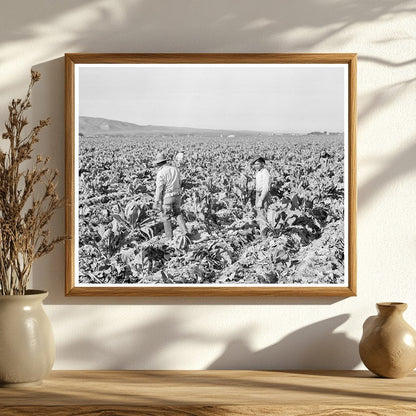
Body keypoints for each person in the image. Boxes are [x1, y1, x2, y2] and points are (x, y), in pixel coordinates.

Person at [153, 152, 188, 240]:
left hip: (167, 197)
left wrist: (157, 201)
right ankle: (185, 231)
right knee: (178, 213)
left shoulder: (161, 172)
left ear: (158, 163)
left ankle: (169, 237)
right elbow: (180, 182)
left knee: (166, 216)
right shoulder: (175, 169)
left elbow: (159, 188)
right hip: (177, 195)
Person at [252, 156, 271, 237]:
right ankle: (262, 232)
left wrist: (261, 200)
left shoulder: (265, 172)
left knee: (262, 213)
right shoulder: (259, 172)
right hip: (258, 193)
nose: (256, 166)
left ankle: (264, 235)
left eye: (258, 164)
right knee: (259, 213)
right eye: (255, 164)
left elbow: (266, 187)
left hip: (263, 194)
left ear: (262, 164)